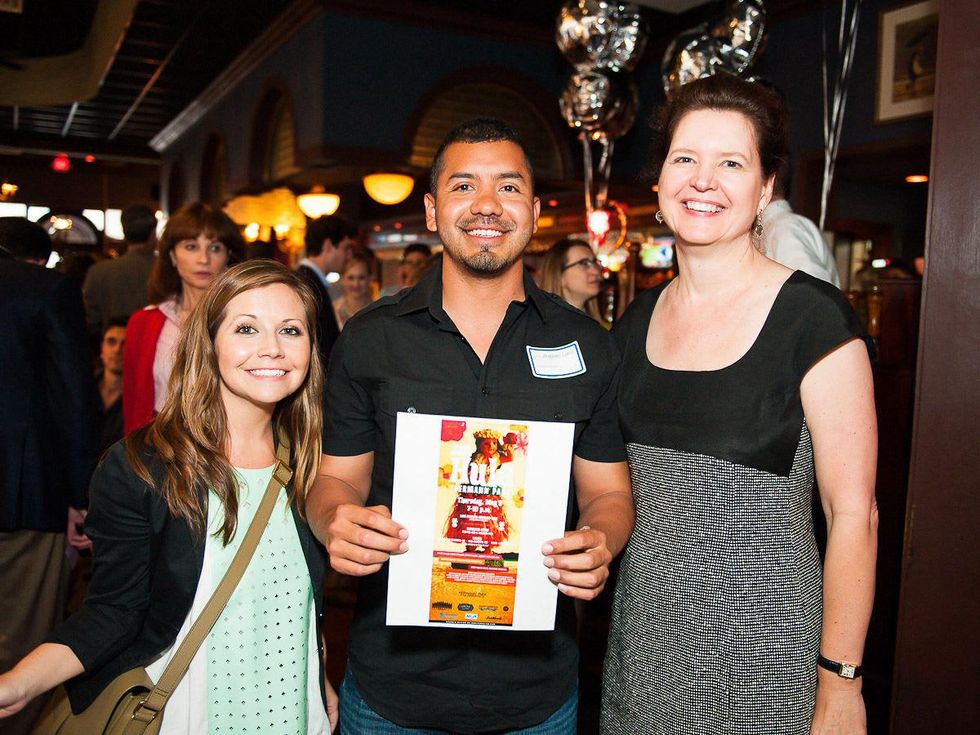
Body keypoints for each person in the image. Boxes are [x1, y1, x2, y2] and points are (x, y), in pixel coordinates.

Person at [306, 117, 633, 733]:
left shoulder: (588, 346)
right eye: (464, 187)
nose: (487, 204)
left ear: (534, 213)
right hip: (393, 694)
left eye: (508, 188)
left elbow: (609, 492)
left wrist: (600, 541)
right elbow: (336, 480)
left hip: (535, 697)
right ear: (432, 211)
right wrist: (335, 520)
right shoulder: (370, 341)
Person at [600, 75, 877, 734]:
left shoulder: (813, 318)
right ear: (661, 179)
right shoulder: (634, 322)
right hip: (645, 646)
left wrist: (841, 683)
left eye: (732, 163)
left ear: (766, 188)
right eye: (686, 158)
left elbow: (853, 514)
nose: (705, 180)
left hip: (764, 656)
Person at [0, 260, 337, 734]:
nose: (272, 349)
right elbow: (112, 612)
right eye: (246, 328)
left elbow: (297, 600)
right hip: (189, 710)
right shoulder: (143, 468)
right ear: (209, 343)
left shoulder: (312, 459)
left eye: (290, 330)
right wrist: (18, 683)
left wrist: (318, 675)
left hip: (292, 710)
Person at [0, 218, 99, 735]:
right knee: (19, 646)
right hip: (22, 493)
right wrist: (83, 497)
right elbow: (71, 399)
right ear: (39, 258)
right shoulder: (45, 289)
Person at [122, 202, 243, 434]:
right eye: (191, 246)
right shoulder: (144, 323)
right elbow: (134, 405)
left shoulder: (245, 323)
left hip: (228, 445)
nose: (203, 259)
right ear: (172, 256)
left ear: (228, 257)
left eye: (215, 248)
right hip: (158, 448)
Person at [82, 204, 159, 338]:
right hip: (157, 348)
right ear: (153, 234)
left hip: (114, 350)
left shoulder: (98, 272)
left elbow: (91, 322)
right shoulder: (169, 269)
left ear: (124, 232)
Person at [297, 214, 356, 368]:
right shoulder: (307, 284)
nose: (349, 256)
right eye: (346, 248)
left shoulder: (309, 279)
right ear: (328, 245)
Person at [539, 238, 603, 320]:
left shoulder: (594, 325)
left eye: (594, 262)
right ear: (559, 275)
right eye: (584, 263)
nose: (596, 271)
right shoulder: (546, 328)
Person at [96, 318, 127, 455]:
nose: (117, 349)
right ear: (101, 348)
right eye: (111, 341)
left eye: (125, 344)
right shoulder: (80, 391)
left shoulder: (139, 400)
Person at [332, 253, 374, 329]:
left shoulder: (378, 310)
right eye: (351, 278)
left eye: (361, 278)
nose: (356, 284)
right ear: (343, 279)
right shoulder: (333, 311)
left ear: (370, 279)